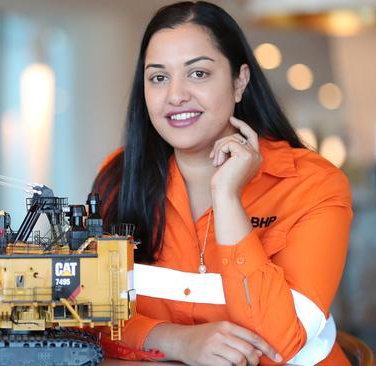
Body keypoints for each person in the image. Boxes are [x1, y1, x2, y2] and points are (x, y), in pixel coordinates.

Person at [91, 1, 352, 365]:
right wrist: (176, 340)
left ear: (239, 81)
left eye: (198, 74)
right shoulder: (120, 177)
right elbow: (82, 316)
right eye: (159, 77)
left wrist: (227, 198)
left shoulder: (312, 184)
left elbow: (282, 338)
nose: (176, 95)